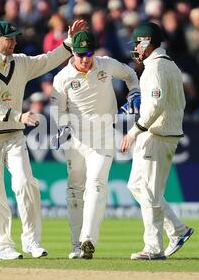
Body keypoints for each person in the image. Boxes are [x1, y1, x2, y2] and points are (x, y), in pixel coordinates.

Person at [0, 19, 86, 260]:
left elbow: (46, 61)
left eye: (14, 38)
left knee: (26, 184)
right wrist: (16, 115)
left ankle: (31, 242)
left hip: (13, 135)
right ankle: (2, 247)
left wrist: (68, 43)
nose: (13, 42)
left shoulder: (19, 62)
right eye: (8, 38)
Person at [51, 30, 140, 259]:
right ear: (73, 52)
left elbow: (130, 74)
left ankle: (88, 239)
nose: (84, 59)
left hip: (103, 137)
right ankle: (75, 246)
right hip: (76, 140)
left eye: (88, 53)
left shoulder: (106, 64)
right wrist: (61, 128)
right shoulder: (62, 78)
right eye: (80, 54)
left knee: (97, 185)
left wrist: (135, 94)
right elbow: (58, 111)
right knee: (74, 192)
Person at [120, 22, 194, 260]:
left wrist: (133, 132)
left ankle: (153, 248)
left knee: (150, 193)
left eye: (137, 44)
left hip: (158, 136)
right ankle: (178, 229)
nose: (135, 49)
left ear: (147, 42)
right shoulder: (167, 64)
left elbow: (156, 105)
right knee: (136, 186)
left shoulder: (157, 67)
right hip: (158, 134)